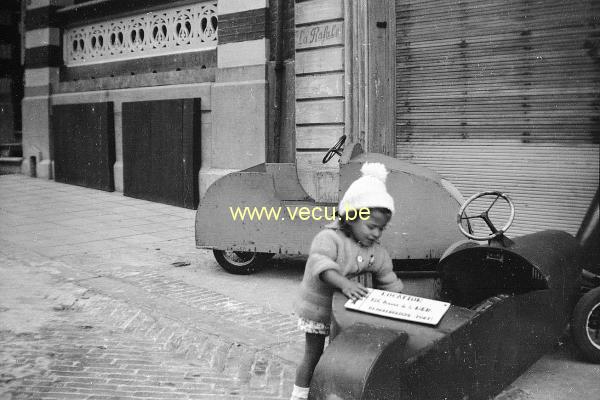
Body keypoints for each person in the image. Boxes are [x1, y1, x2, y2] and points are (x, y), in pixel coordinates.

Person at [290, 162, 404, 400]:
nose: (376, 234)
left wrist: (400, 299)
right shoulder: (329, 238)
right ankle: (299, 395)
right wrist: (345, 283)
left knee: (338, 355)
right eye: (371, 227)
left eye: (381, 229)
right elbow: (320, 265)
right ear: (352, 216)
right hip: (317, 309)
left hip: (344, 312)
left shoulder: (375, 249)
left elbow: (387, 275)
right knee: (313, 355)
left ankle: (329, 390)